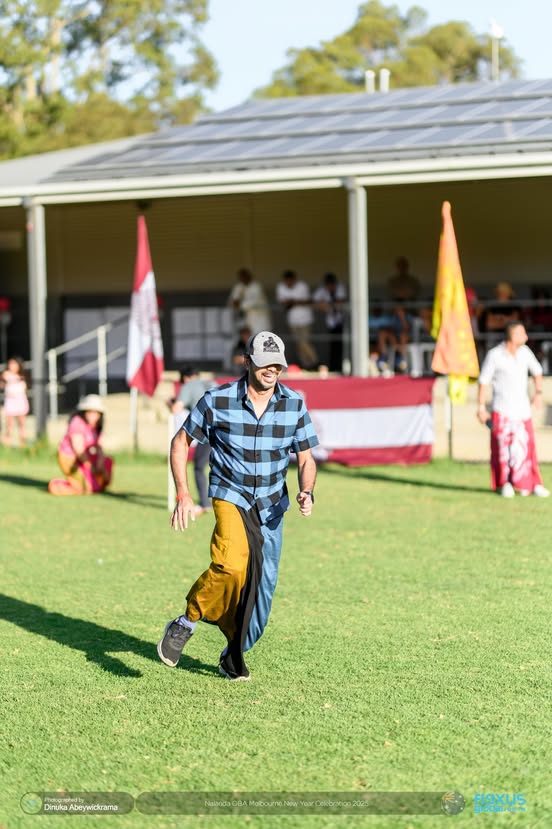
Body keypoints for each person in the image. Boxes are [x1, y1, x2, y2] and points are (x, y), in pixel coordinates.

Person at [157, 330, 319, 681]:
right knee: (231, 566)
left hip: (272, 506)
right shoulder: (217, 400)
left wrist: (307, 489)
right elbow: (179, 442)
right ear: (248, 362)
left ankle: (233, 654)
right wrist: (184, 493)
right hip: (231, 495)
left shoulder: (293, 404)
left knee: (262, 592)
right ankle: (185, 622)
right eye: (264, 363)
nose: (271, 370)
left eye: (277, 364)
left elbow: (306, 458)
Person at [477, 321, 549, 498]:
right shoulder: (495, 355)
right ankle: (505, 483)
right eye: (522, 333)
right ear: (513, 335)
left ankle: (533, 484)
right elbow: (483, 381)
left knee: (527, 447)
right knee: (502, 450)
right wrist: (481, 407)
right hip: (502, 410)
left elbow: (537, 372)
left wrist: (538, 393)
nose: (526, 337)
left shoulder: (525, 353)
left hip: (522, 411)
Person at [168, 366, 213, 515]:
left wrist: (169, 403)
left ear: (185, 378)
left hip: (208, 432)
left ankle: (205, 503)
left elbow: (176, 409)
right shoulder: (212, 383)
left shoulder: (188, 386)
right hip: (227, 430)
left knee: (199, 467)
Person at [48, 394, 114, 495]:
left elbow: (99, 447)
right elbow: (79, 450)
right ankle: (57, 485)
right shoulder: (77, 423)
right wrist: (90, 466)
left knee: (106, 464)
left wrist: (100, 461)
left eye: (96, 412)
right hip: (72, 459)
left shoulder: (96, 426)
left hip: (86, 457)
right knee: (84, 488)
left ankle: (92, 483)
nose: (93, 415)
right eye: (90, 412)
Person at [276, 270, 318, 370]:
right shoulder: (281, 287)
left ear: (294, 279)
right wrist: (296, 302)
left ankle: (315, 363)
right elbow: (284, 303)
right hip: (292, 321)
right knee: (298, 345)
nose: (289, 283)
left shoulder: (302, 286)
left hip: (305, 320)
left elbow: (308, 301)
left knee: (304, 342)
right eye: (287, 281)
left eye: (290, 281)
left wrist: (293, 302)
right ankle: (307, 366)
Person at [313, 273, 347, 372]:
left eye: (332, 284)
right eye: (328, 285)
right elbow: (315, 300)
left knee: (340, 345)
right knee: (333, 345)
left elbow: (340, 300)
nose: (330, 287)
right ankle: (333, 366)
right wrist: (324, 305)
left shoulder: (340, 288)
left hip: (342, 320)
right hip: (331, 322)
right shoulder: (322, 290)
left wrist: (331, 304)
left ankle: (340, 366)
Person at [227, 268, 271, 335]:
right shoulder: (239, 286)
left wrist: (239, 305)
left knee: (262, 338)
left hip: (260, 318)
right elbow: (232, 300)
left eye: (245, 277)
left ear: (249, 276)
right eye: (241, 277)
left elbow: (253, 303)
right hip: (246, 319)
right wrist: (234, 302)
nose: (243, 279)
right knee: (249, 340)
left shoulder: (256, 287)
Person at [1, 356, 29, 447]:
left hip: (20, 401)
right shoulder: (6, 375)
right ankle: (7, 443)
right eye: (11, 364)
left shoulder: (22, 376)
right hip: (10, 401)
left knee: (22, 424)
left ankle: (23, 444)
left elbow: (25, 389)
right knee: (9, 424)